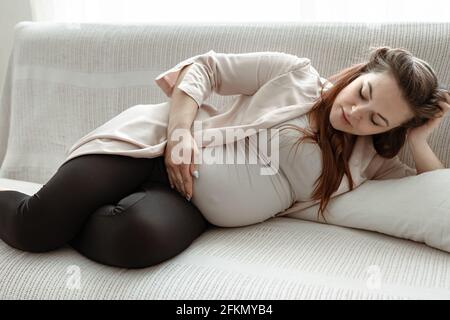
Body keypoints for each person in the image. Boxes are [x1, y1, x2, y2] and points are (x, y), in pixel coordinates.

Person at [0, 46, 448, 269]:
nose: (355, 113)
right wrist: (179, 136)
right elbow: (204, 68)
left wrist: (421, 141)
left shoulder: (369, 163)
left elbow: (434, 192)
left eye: (376, 120)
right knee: (33, 228)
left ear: (390, 131)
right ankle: (50, 210)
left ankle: (70, 210)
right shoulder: (295, 74)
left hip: (188, 201)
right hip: (154, 149)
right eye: (363, 93)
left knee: (134, 239)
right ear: (359, 72)